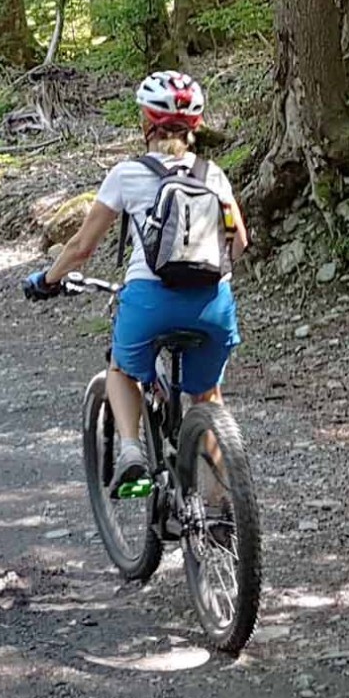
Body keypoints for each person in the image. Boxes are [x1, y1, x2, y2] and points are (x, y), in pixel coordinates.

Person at [23, 71, 249, 487]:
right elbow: (240, 244)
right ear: (194, 128)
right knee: (208, 395)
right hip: (213, 304)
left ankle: (130, 451)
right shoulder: (213, 175)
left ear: (145, 124)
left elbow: (81, 248)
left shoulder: (127, 175)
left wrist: (48, 279)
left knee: (122, 370)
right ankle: (222, 511)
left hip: (150, 301)